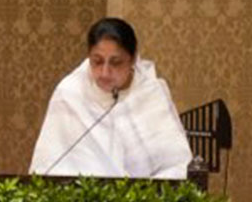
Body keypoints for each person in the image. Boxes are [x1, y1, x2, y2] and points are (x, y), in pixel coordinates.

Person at [31, 16, 193, 179]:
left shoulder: (151, 92)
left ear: (133, 59)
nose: (105, 72)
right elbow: (49, 167)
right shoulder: (70, 94)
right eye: (97, 62)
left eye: (115, 63)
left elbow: (177, 164)